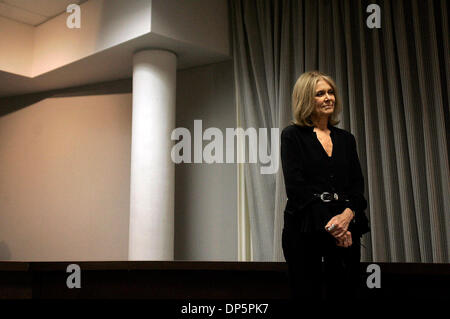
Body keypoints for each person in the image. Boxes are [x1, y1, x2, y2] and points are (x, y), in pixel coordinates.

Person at [281, 71, 370, 300]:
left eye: (330, 92)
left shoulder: (346, 139)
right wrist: (333, 228)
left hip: (346, 228)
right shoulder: (292, 136)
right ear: (306, 99)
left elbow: (357, 189)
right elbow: (297, 190)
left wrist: (346, 218)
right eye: (320, 94)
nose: (328, 98)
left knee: (344, 295)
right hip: (304, 230)